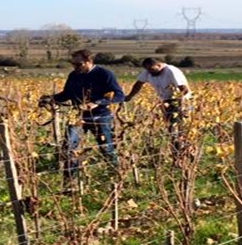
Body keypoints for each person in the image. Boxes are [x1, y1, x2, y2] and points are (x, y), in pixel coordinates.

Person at [38, 49, 125, 182]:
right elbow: (67, 94)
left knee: (106, 147)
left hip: (100, 117)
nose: (75, 67)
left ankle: (116, 176)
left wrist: (96, 103)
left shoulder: (104, 74)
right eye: (73, 64)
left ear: (88, 61)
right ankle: (70, 181)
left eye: (78, 64)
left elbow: (119, 95)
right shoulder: (74, 75)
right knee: (69, 148)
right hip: (77, 116)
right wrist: (51, 98)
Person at [124, 57, 190, 151]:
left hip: (180, 100)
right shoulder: (148, 71)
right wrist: (130, 96)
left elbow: (184, 90)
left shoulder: (171, 71)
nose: (150, 72)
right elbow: (138, 84)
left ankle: (182, 149)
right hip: (166, 101)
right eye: (148, 69)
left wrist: (181, 107)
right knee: (171, 127)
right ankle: (176, 148)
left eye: (152, 69)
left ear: (159, 65)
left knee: (179, 127)